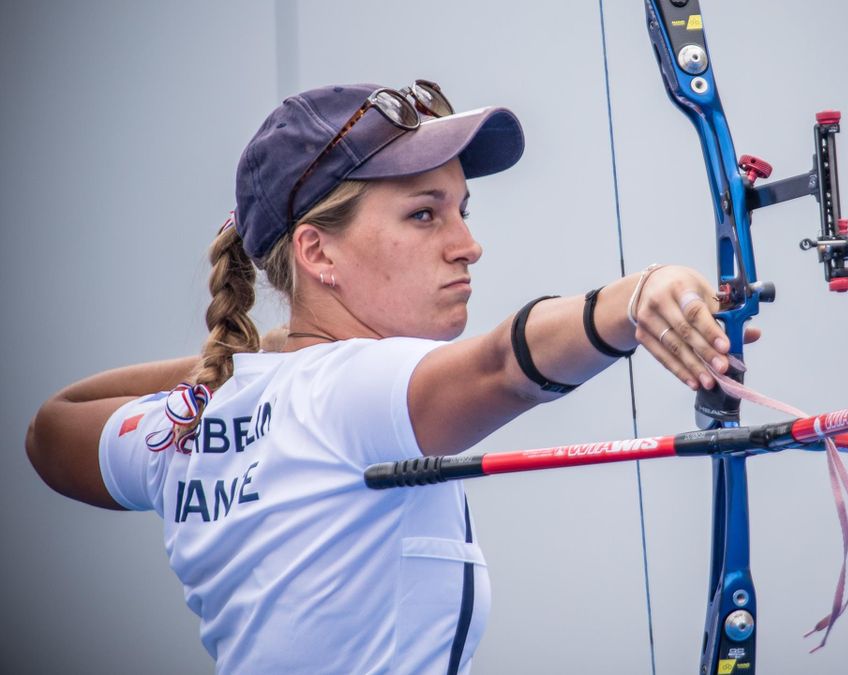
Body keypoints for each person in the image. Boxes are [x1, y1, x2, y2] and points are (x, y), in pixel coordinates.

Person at [24, 81, 745, 673]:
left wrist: (257, 362)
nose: (468, 245)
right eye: (424, 214)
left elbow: (52, 426)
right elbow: (503, 365)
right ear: (317, 252)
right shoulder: (351, 389)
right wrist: (633, 299)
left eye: (462, 210)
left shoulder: (196, 417)